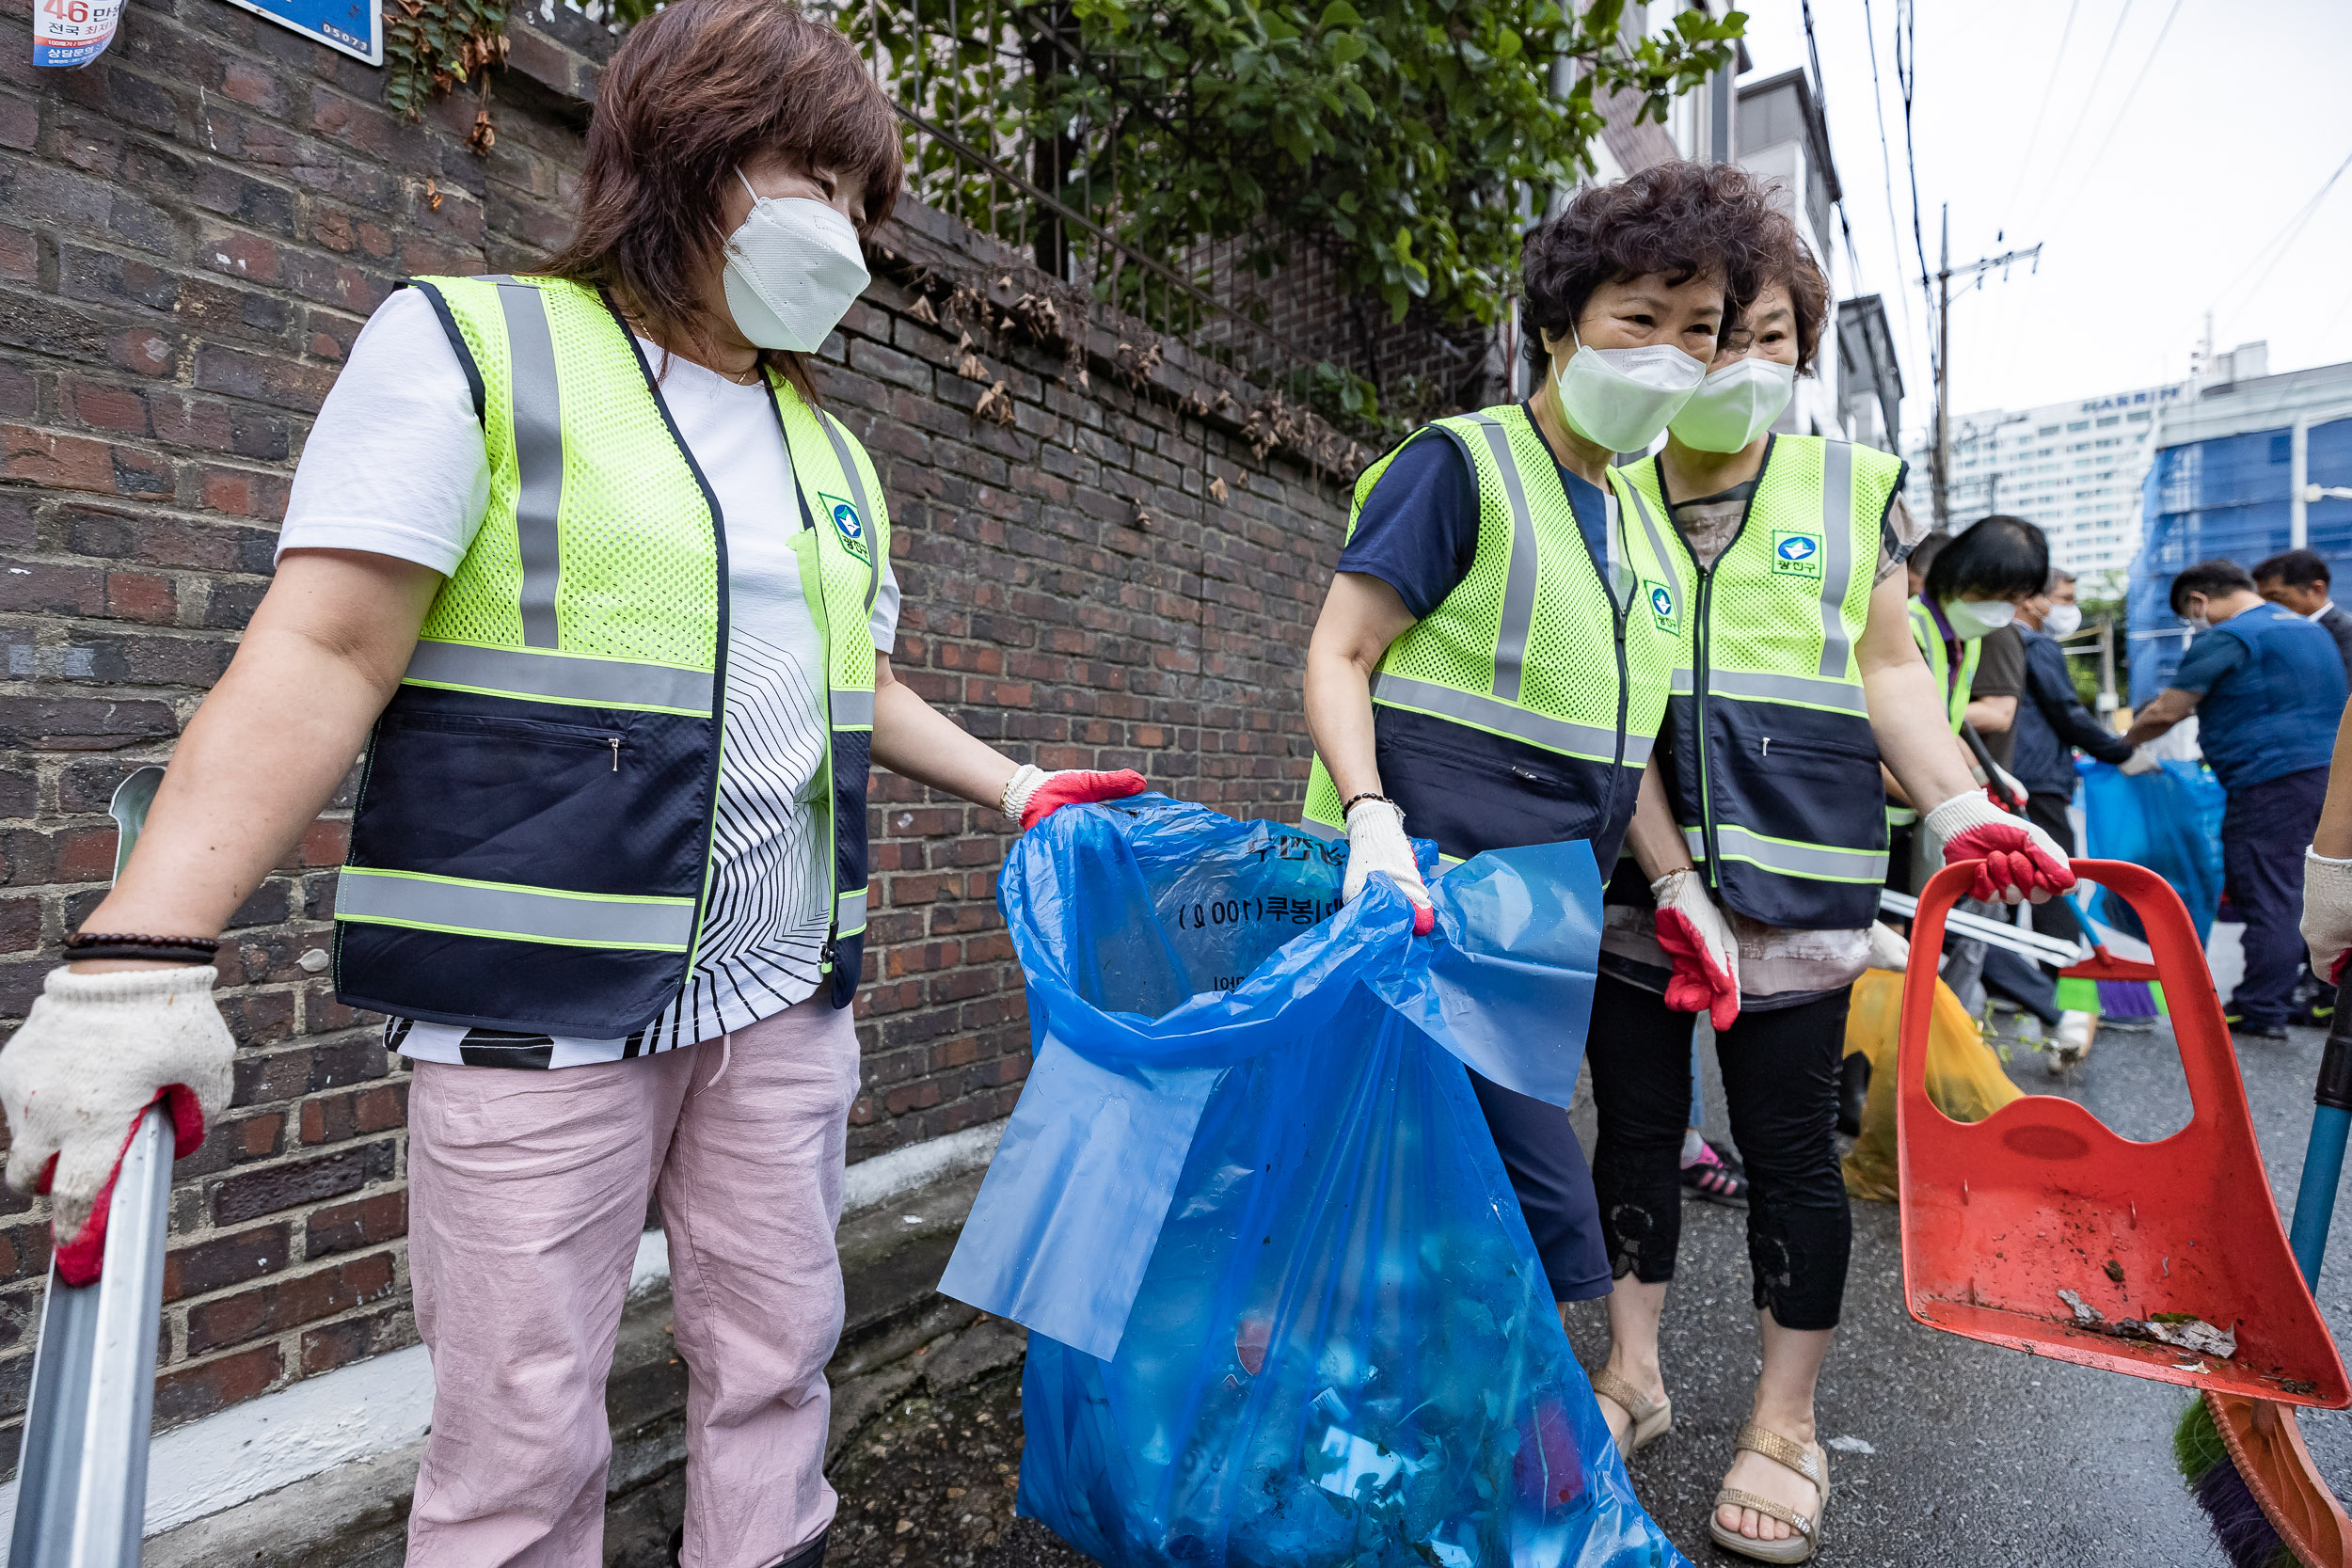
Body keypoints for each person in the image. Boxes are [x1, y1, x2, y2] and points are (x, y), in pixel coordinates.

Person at [0, 6, 1147, 1563]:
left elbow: (848, 687)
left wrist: (1017, 783)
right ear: (682, 155)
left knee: (778, 1361)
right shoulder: (477, 348)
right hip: (534, 1002)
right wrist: (141, 958)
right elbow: (331, 645)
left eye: (860, 201)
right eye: (805, 173)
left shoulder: (836, 458)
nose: (842, 230)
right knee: (523, 1421)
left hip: (781, 993)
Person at [1579, 236, 2074, 1563]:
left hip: (1803, 885)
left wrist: (1961, 801)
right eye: (1708, 332)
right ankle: (1634, 1374)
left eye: (1772, 337)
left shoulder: (1856, 491)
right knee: (1633, 1127)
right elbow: (1594, 694)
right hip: (1633, 874)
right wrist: (1670, 867)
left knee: (1792, 1150)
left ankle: (1785, 1423)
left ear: (1805, 352)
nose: (1736, 363)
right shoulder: (1603, 486)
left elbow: (1893, 669)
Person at [1301, 159, 1769, 1368]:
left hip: (1534, 936)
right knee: (1506, 1215)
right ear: (1561, 324)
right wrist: (1368, 820)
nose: (1670, 351)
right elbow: (1338, 654)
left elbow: (1623, 739)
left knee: (1433, 1226)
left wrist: (1673, 885)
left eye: (1698, 329)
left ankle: (1411, 1457)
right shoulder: (1462, 465)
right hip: (1412, 914)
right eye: (1640, 318)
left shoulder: (1647, 531)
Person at [2125, 559, 2345, 1040]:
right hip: (2327, 777)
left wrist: (2121, 744)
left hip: (2270, 780)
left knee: (2268, 892)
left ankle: (2260, 1007)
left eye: (2191, 614)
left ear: (2200, 601)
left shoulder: (2229, 636)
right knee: (2309, 889)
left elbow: (2168, 709)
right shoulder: (2308, 631)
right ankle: (2313, 998)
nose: (2195, 623)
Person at [2012, 567, 2137, 1067]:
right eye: (2063, 598)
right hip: (2039, 778)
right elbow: (2067, 713)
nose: (2068, 607)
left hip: (2000, 775)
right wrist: (2120, 752)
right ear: (2031, 599)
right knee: (2054, 884)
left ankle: (2013, 984)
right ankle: (2060, 993)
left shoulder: (1986, 642)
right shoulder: (2036, 646)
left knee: (2000, 887)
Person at [2254, 547, 2352, 687]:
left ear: (2317, 590)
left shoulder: (2346, 633)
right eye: (2263, 600)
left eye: (2276, 598)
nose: (2268, 607)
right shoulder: (2274, 633)